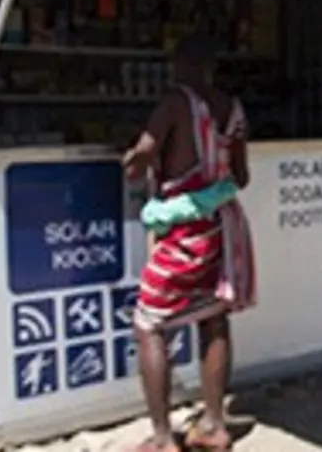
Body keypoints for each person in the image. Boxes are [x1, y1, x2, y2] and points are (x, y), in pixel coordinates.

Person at [121, 34, 256, 452]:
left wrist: (135, 160)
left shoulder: (174, 103)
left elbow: (139, 157)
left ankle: (162, 439)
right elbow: (242, 177)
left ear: (180, 66)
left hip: (184, 233)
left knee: (148, 323)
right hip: (225, 226)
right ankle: (214, 426)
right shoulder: (232, 109)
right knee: (214, 317)